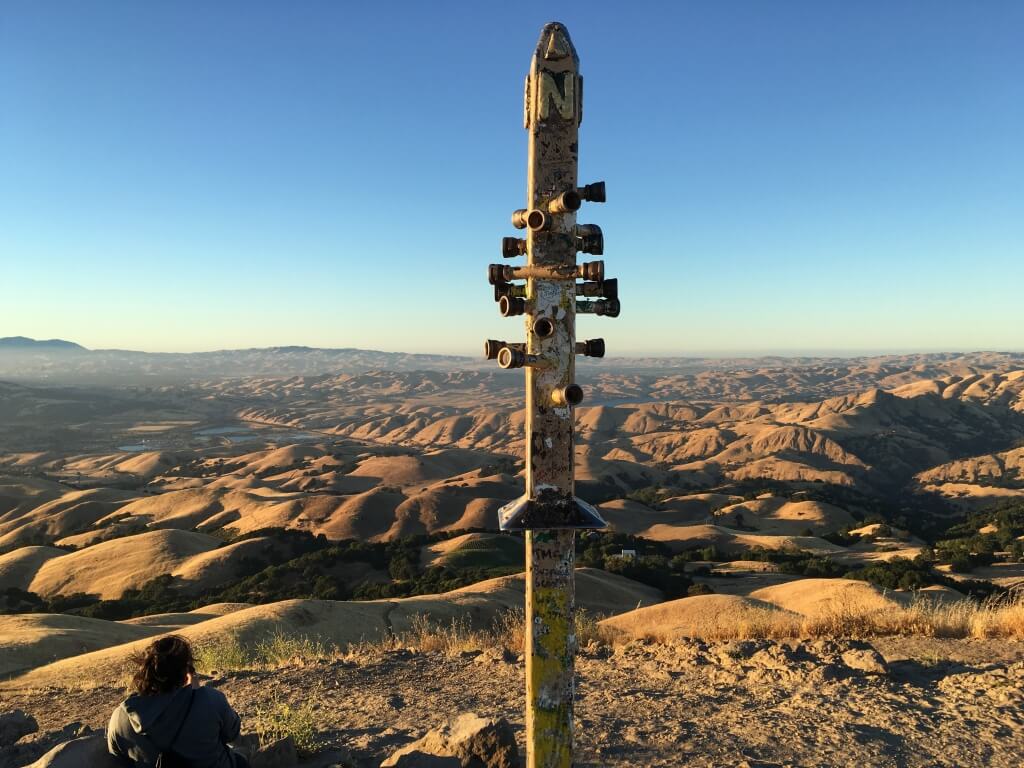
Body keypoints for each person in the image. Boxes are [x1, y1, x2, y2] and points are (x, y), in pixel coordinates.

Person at [107, 635, 249, 768]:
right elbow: (232, 733)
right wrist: (196, 689)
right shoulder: (210, 699)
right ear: (186, 671)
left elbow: (117, 758)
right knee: (241, 759)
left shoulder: (120, 717)